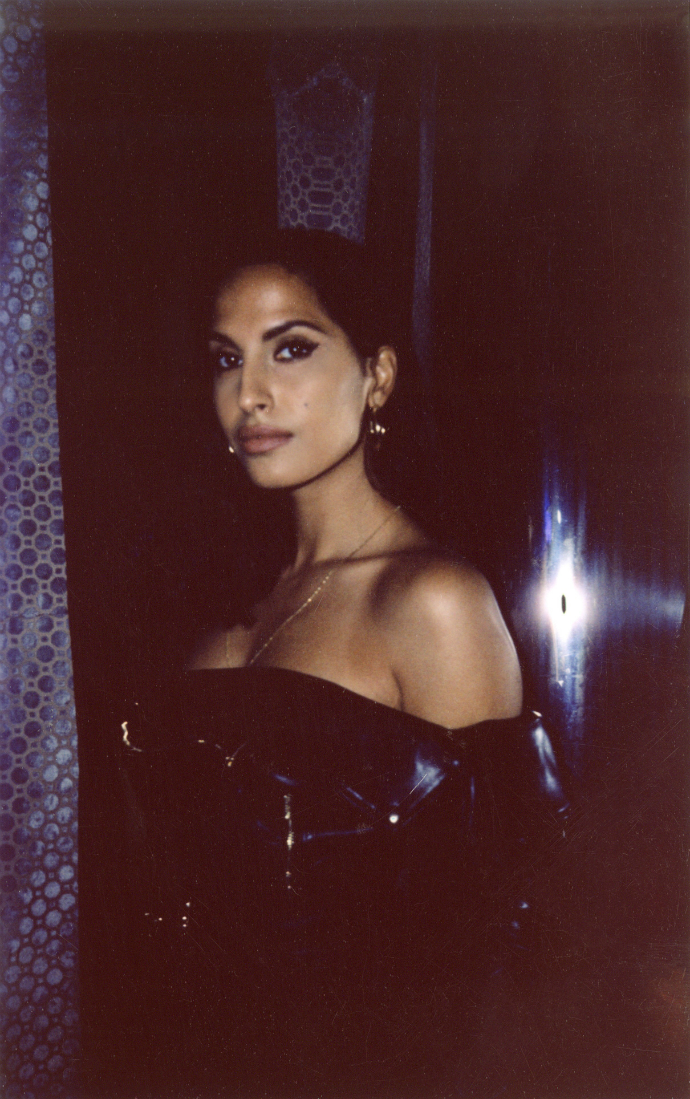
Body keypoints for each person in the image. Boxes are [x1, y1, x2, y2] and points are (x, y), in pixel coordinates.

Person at [109, 229, 568, 1099]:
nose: (249, 392)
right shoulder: (222, 605)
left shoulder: (431, 600)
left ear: (378, 376)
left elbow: (501, 959)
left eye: (291, 348)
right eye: (226, 358)